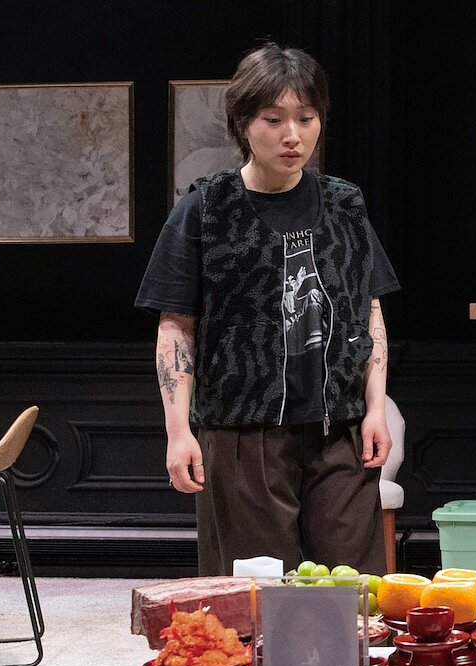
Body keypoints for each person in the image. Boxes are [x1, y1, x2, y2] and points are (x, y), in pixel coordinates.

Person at [135, 42, 401, 576]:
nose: (293, 135)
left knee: (353, 587)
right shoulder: (206, 208)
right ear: (242, 123)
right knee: (257, 591)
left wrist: (376, 405)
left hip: (339, 426)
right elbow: (175, 328)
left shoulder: (346, 204)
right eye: (273, 118)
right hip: (241, 430)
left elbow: (368, 311)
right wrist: (177, 429)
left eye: (306, 118)